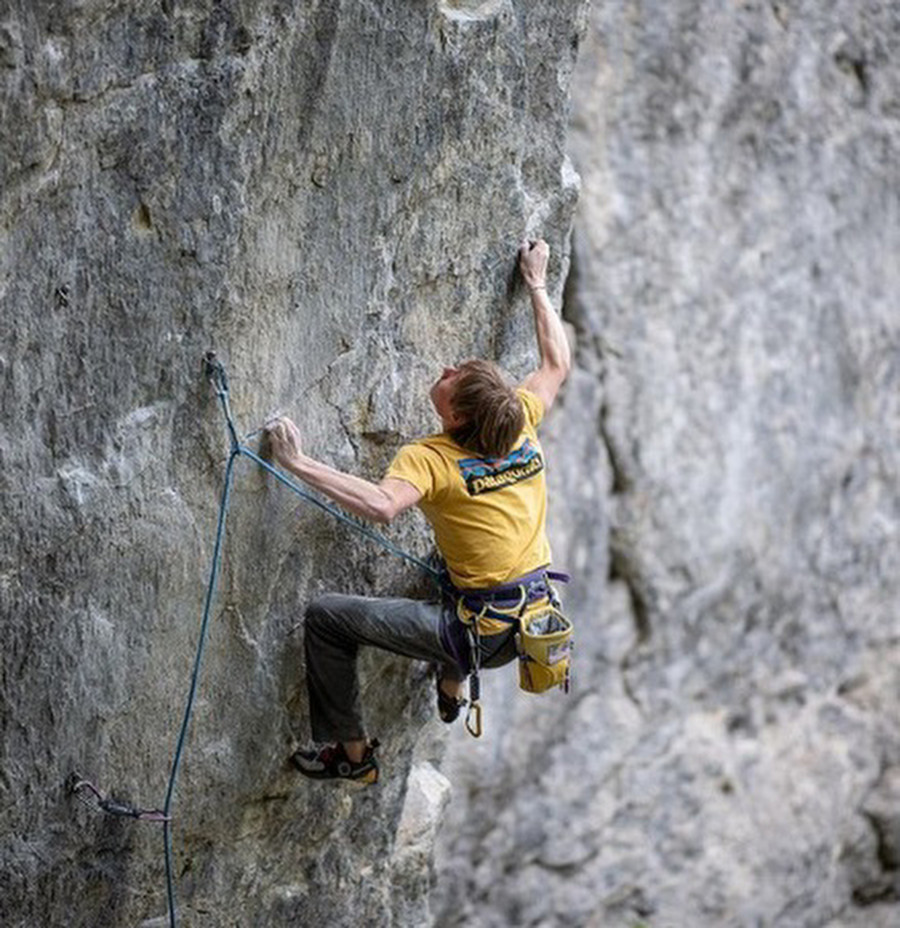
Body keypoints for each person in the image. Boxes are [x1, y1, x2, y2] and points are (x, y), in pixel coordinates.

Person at [265, 239, 570, 783]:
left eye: (453, 377)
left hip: (475, 629)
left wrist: (298, 462)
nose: (447, 367)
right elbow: (556, 363)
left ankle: (353, 758)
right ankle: (451, 689)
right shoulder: (518, 422)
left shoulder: (433, 460)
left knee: (325, 618)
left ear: (454, 417)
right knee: (457, 559)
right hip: (531, 616)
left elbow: (382, 506)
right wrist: (537, 283)